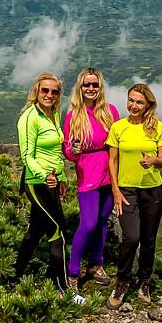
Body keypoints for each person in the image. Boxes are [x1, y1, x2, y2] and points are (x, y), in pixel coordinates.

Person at [15, 71, 84, 304]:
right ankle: (62, 288)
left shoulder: (53, 115)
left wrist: (62, 177)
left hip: (52, 182)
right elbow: (27, 155)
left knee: (34, 232)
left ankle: (15, 276)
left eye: (54, 91)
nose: (50, 95)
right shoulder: (29, 117)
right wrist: (44, 176)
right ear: (37, 91)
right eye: (45, 90)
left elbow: (55, 152)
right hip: (36, 183)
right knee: (58, 232)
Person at [106, 83, 162, 309]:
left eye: (139, 102)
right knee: (130, 237)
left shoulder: (158, 127)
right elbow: (112, 161)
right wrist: (115, 190)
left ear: (148, 104)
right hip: (127, 190)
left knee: (148, 240)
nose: (134, 105)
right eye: (131, 100)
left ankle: (144, 281)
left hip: (152, 190)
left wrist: (153, 160)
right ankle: (122, 282)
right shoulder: (118, 127)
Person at [63, 67, 120, 291]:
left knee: (103, 220)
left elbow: (118, 143)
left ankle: (96, 264)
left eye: (94, 84)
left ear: (100, 87)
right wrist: (74, 151)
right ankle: (73, 273)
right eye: (86, 84)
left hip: (110, 173)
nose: (90, 88)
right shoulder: (73, 116)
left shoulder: (110, 112)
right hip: (88, 173)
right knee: (88, 224)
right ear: (80, 87)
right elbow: (68, 152)